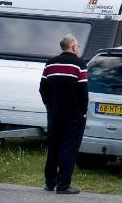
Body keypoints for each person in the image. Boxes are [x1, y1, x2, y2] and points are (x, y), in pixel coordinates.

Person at [39, 34, 89, 195]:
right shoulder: (79, 65)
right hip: (74, 115)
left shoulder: (50, 64)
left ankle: (49, 183)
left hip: (54, 114)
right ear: (73, 47)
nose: (78, 48)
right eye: (78, 46)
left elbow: (43, 89)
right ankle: (63, 185)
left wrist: (49, 106)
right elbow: (83, 93)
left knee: (54, 147)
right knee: (69, 148)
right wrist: (83, 112)